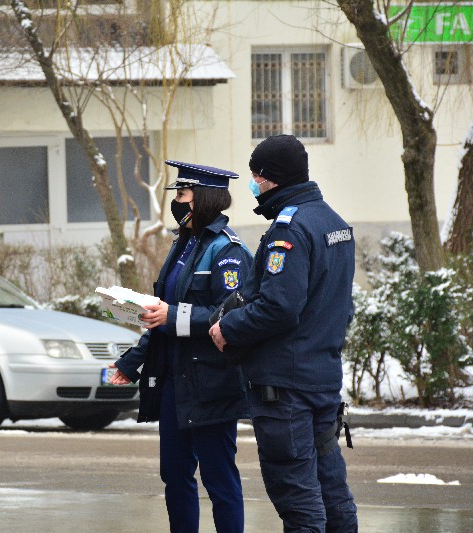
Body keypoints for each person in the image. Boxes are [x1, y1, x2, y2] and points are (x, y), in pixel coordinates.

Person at [209, 134, 358, 532]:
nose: (253, 183)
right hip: (322, 380)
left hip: (285, 390)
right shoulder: (334, 223)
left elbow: (279, 307)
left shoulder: (288, 230)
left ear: (271, 178)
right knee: (332, 490)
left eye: (256, 175)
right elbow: (343, 307)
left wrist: (229, 327)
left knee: (298, 497)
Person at [109, 160, 253, 533]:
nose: (176, 201)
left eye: (182, 194)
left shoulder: (227, 251)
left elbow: (232, 314)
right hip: (175, 381)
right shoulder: (184, 245)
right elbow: (163, 316)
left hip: (212, 383)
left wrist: (172, 316)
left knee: (219, 479)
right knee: (174, 475)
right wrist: (130, 363)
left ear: (202, 199)